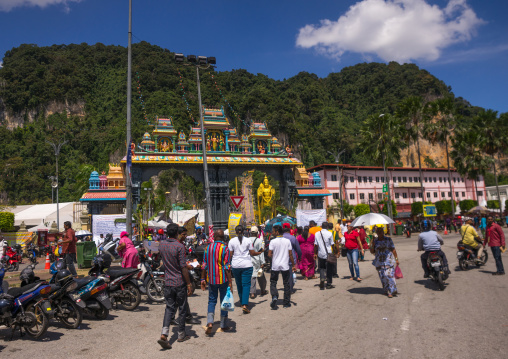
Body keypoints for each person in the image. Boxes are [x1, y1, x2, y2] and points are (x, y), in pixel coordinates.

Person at [158, 223, 194, 349]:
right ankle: (181, 334)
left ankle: (164, 333)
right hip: (179, 282)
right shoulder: (179, 246)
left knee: (169, 308)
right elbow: (183, 267)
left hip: (168, 282)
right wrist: (189, 283)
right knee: (182, 308)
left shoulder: (162, 245)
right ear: (177, 233)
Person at [201, 229, 233, 335]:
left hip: (211, 280)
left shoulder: (208, 248)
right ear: (223, 237)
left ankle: (210, 322)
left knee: (212, 301)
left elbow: (204, 265)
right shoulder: (225, 248)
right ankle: (223, 325)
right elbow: (227, 266)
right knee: (224, 301)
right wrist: (230, 281)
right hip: (222, 279)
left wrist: (202, 279)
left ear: (214, 236)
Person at [229, 225, 264, 314]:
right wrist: (260, 252)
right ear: (244, 231)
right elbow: (252, 253)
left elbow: (230, 255)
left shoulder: (232, 241)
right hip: (246, 265)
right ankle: (245, 304)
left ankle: (241, 302)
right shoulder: (248, 240)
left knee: (239, 284)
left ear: (236, 232)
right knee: (246, 285)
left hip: (235, 265)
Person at [268, 225, 296, 309]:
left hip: (275, 265)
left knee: (273, 282)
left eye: (273, 231)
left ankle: (274, 296)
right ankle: (286, 303)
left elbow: (269, 254)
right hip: (285, 265)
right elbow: (290, 254)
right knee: (286, 283)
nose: (272, 232)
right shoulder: (287, 241)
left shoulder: (272, 241)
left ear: (277, 232)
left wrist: (274, 256)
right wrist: (293, 265)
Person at [371, 226, 399, 298]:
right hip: (379, 261)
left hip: (388, 261)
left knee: (389, 275)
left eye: (381, 231)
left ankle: (392, 291)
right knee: (382, 277)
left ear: (383, 232)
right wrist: (372, 242)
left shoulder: (388, 239)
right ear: (376, 233)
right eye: (378, 231)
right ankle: (386, 290)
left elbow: (393, 249)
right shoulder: (375, 241)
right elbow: (372, 251)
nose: (380, 233)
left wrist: (396, 259)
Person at [314, 222, 336, 289]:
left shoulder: (317, 234)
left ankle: (322, 279)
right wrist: (335, 252)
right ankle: (329, 284)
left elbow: (316, 245)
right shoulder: (329, 233)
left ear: (321, 226)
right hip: (328, 253)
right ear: (327, 227)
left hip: (321, 253)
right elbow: (332, 244)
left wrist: (315, 253)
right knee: (329, 269)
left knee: (321, 268)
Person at [282, 223, 301, 294]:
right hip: (290, 258)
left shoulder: (280, 238)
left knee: (284, 275)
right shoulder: (292, 238)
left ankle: (286, 287)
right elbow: (298, 249)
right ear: (290, 229)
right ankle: (289, 288)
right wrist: (299, 256)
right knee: (290, 274)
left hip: (282, 258)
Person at [249, 226, 268, 299]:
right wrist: (263, 262)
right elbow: (261, 252)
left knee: (252, 276)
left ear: (250, 233)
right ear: (257, 233)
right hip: (258, 261)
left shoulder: (247, 240)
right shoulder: (260, 241)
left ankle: (252, 293)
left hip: (249, 260)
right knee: (260, 276)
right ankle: (262, 290)